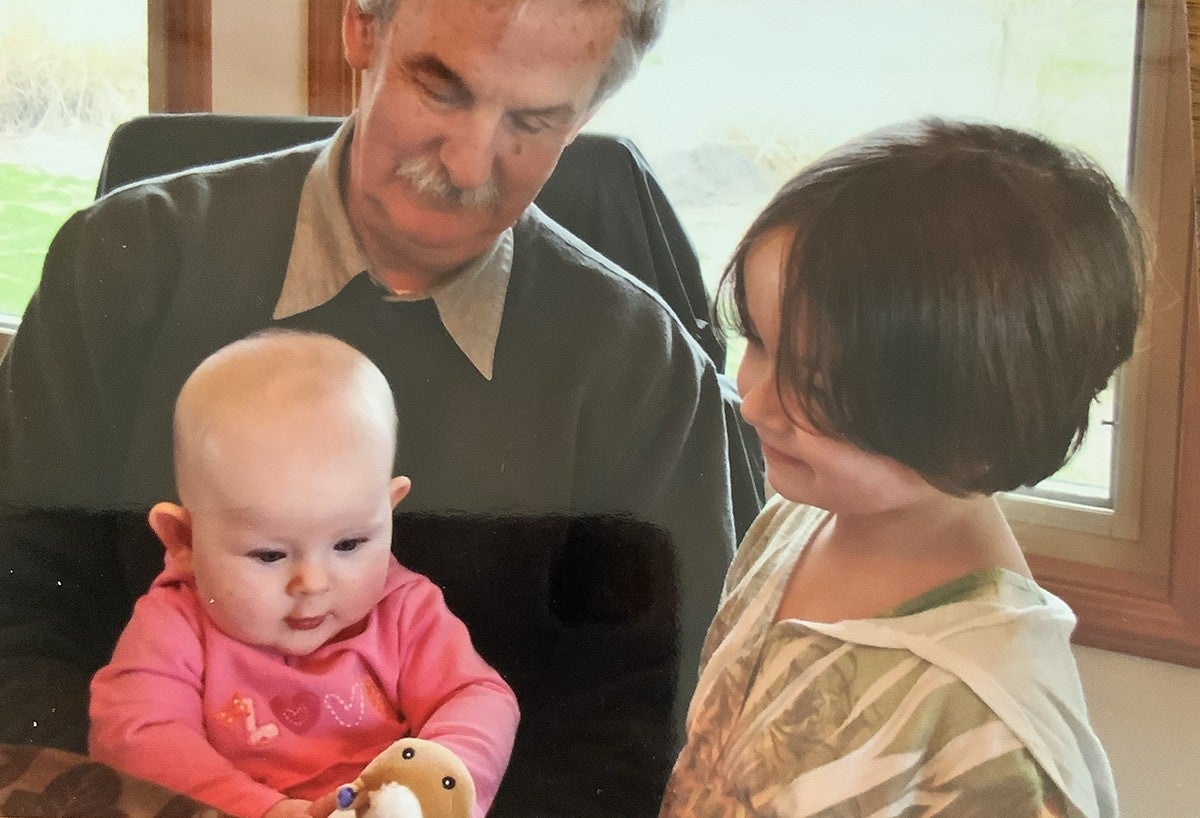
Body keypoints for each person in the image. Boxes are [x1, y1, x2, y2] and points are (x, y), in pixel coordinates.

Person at [0, 0, 761, 814]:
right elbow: (21, 616)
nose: (470, 165)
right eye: (441, 91)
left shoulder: (639, 368)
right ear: (362, 28)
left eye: (533, 122)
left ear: (589, 114)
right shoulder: (121, 266)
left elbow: (637, 724)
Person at [658, 119, 1140, 818]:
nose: (756, 402)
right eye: (758, 341)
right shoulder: (797, 520)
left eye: (816, 386)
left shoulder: (985, 724)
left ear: (973, 429)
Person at [87, 330, 519, 818]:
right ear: (184, 541)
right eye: (270, 555)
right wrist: (268, 812)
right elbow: (136, 736)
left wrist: (429, 790)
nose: (312, 583)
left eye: (350, 544)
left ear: (390, 510)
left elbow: (478, 697)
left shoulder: (404, 610)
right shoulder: (176, 622)